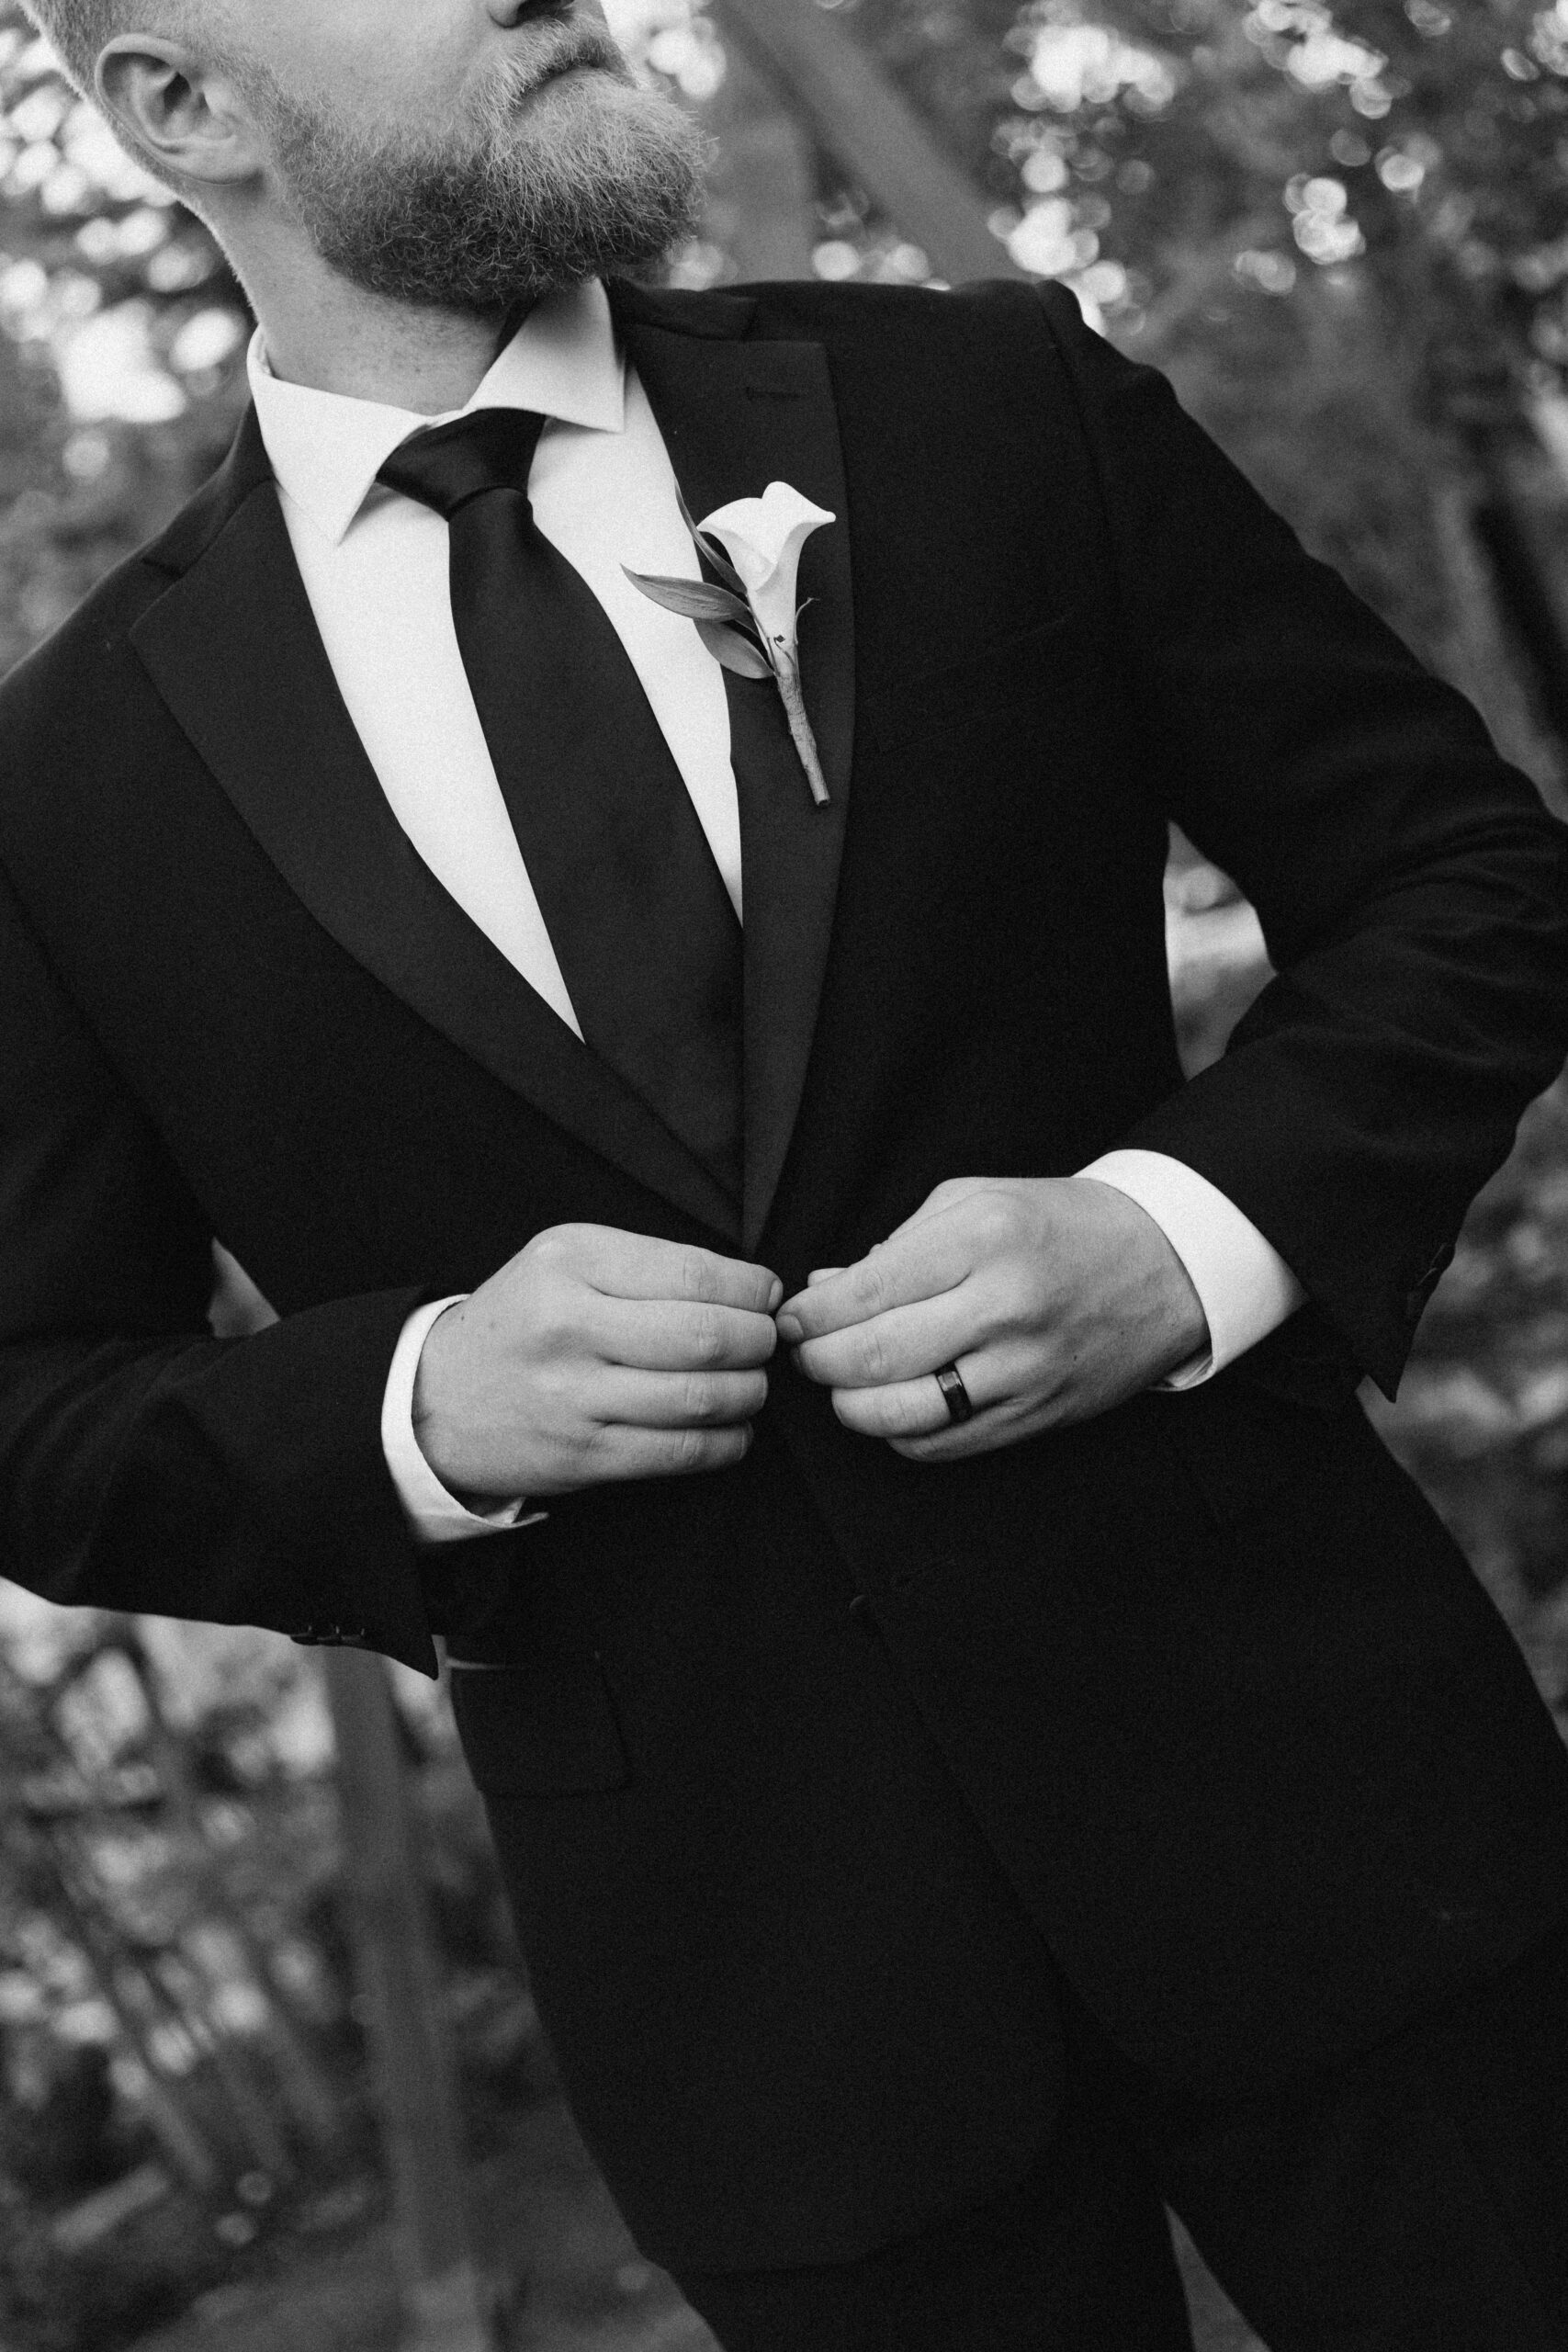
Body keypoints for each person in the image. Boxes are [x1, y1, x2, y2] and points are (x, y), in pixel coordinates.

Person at [3, 1, 1567, 2343]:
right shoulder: (69, 779)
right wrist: (418, 1406)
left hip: (1338, 1835)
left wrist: (1177, 1236)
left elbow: (1464, 877)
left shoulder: (984, 403)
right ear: (176, 103)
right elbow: (33, 1397)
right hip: (780, 2038)